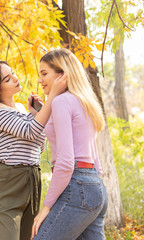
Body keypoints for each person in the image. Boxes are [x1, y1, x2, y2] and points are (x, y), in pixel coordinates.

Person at [0, 60, 67, 240]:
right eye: (7, 79)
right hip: (8, 181)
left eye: (13, 73)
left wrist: (35, 113)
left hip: (32, 177)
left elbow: (38, 145)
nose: (15, 79)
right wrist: (51, 98)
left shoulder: (18, 108)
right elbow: (30, 131)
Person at [31, 48, 108, 240]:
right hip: (95, 187)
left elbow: (66, 162)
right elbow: (93, 155)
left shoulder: (62, 102)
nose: (40, 80)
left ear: (61, 75)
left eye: (44, 73)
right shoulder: (84, 101)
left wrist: (46, 208)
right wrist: (37, 112)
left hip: (77, 186)